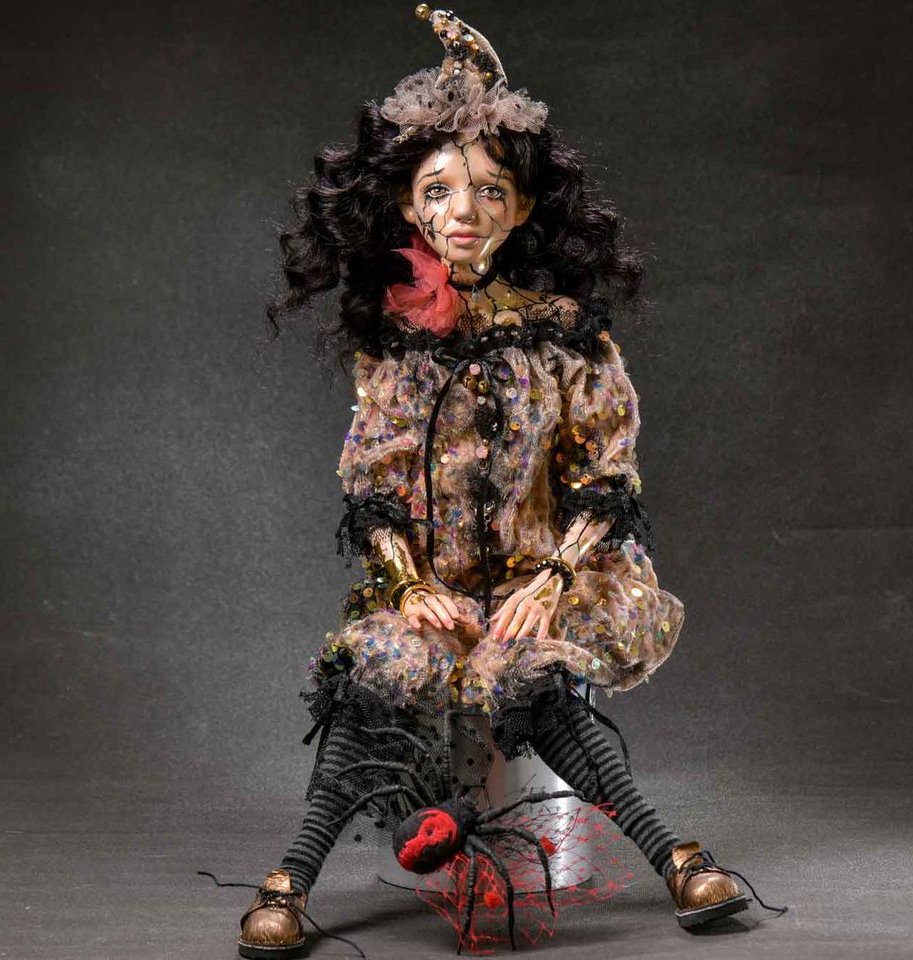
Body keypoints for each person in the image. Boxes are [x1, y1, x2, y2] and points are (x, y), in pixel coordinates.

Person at [234, 8, 780, 957]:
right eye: (439, 190)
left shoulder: (566, 336)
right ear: (409, 207)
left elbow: (606, 473)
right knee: (371, 683)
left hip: (543, 583)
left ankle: (677, 858)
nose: (464, 211)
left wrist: (555, 578)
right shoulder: (398, 344)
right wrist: (409, 585)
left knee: (538, 683)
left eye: (491, 190)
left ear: (522, 208)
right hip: (436, 594)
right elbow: (375, 484)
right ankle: (289, 879)